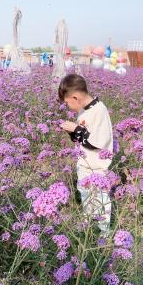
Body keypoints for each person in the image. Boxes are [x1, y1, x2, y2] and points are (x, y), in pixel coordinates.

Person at [59, 74, 113, 236]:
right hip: (85, 164)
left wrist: (76, 129)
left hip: (96, 166)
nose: (68, 106)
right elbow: (82, 140)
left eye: (67, 102)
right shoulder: (85, 111)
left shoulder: (99, 110)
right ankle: (89, 224)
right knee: (85, 194)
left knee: (100, 198)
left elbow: (98, 141)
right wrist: (72, 132)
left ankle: (104, 231)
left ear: (75, 97)